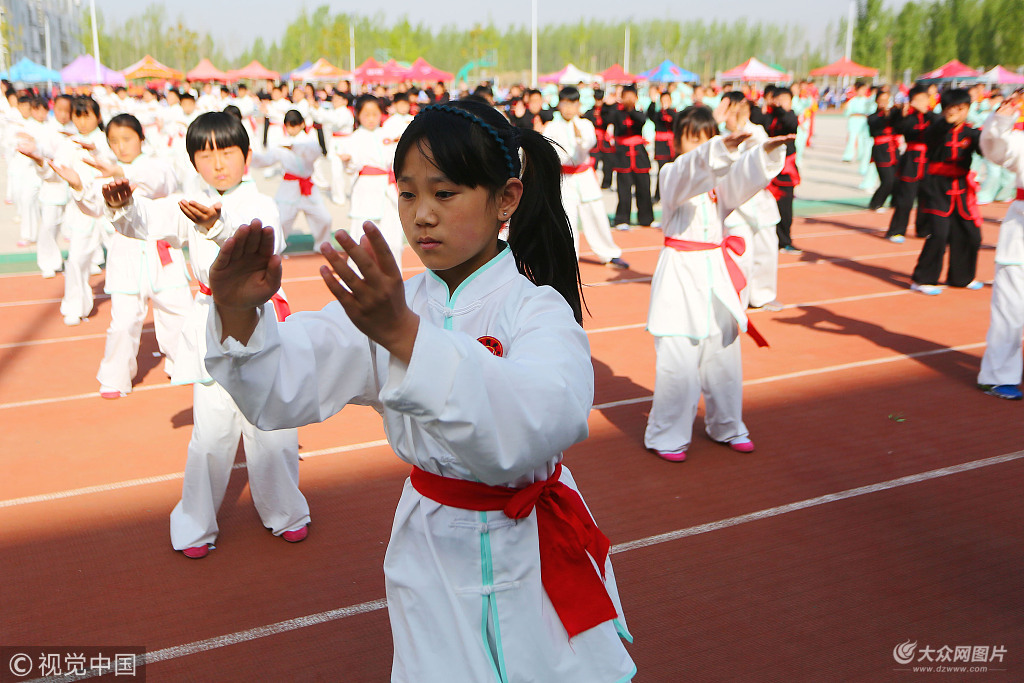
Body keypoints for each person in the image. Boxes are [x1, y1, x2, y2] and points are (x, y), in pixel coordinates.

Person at [204, 99, 635, 682]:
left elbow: (540, 421)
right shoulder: (393, 305)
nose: (422, 215)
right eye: (408, 194)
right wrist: (236, 312)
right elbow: (283, 386)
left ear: (505, 199)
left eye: (445, 193)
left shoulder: (536, 308)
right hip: (432, 547)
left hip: (534, 547)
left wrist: (405, 336)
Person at [99, 112, 311, 559]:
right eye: (205, 153)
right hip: (211, 320)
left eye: (227, 151)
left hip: (257, 319)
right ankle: (195, 525)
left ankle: (286, 511)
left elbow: (262, 246)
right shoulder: (186, 201)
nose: (217, 163)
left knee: (271, 425)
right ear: (193, 159)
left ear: (247, 155)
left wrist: (216, 230)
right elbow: (142, 223)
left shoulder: (262, 202)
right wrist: (122, 207)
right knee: (212, 432)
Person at [643, 105, 789, 462]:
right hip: (680, 276)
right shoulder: (672, 175)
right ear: (677, 140)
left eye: (705, 137)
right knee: (678, 359)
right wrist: (717, 151)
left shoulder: (718, 185)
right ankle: (667, 435)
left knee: (724, 354)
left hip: (715, 275)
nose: (698, 145)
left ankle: (727, 424)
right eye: (691, 138)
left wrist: (765, 153)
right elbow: (694, 168)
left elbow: (743, 179)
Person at [50, 114, 192, 399]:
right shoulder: (102, 170)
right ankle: (115, 376)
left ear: (141, 137)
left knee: (178, 313)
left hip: (162, 252)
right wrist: (79, 185)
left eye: (127, 139)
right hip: (126, 254)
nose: (121, 146)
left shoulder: (156, 164)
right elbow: (94, 204)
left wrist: (118, 171)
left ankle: (184, 363)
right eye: (114, 141)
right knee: (123, 321)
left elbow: (160, 183)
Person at [544, 87, 629, 269]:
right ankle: (567, 260)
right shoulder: (551, 127)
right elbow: (548, 153)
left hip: (585, 176)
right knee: (567, 221)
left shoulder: (585, 125)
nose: (568, 108)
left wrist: (580, 138)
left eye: (572, 104)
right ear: (559, 104)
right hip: (564, 179)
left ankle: (609, 253)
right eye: (565, 103)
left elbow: (589, 142)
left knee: (596, 215)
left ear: (579, 105)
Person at [909, 89, 984, 295]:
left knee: (971, 234)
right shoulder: (936, 128)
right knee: (939, 234)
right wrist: (945, 119)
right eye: (951, 108)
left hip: (961, 187)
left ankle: (961, 277)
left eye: (961, 108)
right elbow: (932, 134)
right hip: (936, 187)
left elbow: (986, 148)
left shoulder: (971, 133)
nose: (956, 112)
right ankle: (922, 278)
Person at [977, 95, 1024, 400]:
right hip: (1020, 234)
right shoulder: (1020, 141)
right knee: (1011, 311)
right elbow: (994, 148)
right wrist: (1004, 115)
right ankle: (998, 376)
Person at [719, 92, 783, 310]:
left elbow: (762, 154)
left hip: (760, 201)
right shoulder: (717, 134)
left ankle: (762, 295)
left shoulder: (756, 131)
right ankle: (737, 298)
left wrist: (742, 128)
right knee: (740, 255)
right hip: (734, 206)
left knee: (767, 249)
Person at [252, 108, 333, 248]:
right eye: (288, 125)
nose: (291, 128)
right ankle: (275, 248)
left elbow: (315, 152)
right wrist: (249, 157)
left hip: (308, 187)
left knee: (324, 219)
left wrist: (294, 147)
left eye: (294, 125)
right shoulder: (281, 142)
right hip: (289, 187)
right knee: (281, 221)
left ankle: (322, 246)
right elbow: (266, 160)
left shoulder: (309, 141)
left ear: (302, 124)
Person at [338, 95, 404, 260]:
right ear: (358, 115)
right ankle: (357, 279)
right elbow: (352, 164)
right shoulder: (354, 138)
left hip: (389, 190)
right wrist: (349, 161)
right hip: (366, 190)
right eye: (366, 115)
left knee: (394, 241)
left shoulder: (386, 134)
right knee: (363, 238)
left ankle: (395, 281)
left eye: (375, 114)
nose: (371, 119)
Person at [887, 85, 938, 242]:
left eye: (925, 99)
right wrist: (902, 114)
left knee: (927, 197)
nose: (923, 102)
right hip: (911, 159)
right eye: (920, 99)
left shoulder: (933, 116)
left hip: (929, 159)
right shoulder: (908, 117)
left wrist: (926, 112)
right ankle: (897, 230)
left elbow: (941, 124)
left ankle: (923, 229)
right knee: (905, 198)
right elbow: (898, 128)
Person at [764, 87, 801, 254]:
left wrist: (779, 108)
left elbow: (790, 123)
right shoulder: (767, 116)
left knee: (785, 208)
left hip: (785, 170)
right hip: (767, 167)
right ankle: (770, 240)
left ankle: (784, 240)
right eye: (780, 100)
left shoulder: (790, 115)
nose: (784, 103)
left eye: (787, 100)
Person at [611, 84, 654, 228]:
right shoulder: (617, 112)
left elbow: (641, 120)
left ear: (636, 98)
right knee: (624, 190)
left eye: (631, 96)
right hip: (623, 155)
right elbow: (611, 121)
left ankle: (646, 218)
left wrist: (631, 109)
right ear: (621, 98)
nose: (628, 99)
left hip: (639, 154)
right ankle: (622, 219)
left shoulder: (638, 112)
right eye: (626, 96)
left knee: (644, 187)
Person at [867, 89, 903, 212]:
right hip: (881, 150)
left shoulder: (893, 113)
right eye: (881, 100)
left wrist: (900, 109)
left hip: (893, 148)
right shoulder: (873, 117)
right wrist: (885, 114)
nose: (884, 103)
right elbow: (876, 126)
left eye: (886, 100)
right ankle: (876, 203)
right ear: (877, 101)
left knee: (898, 177)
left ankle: (895, 202)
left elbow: (900, 121)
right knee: (888, 179)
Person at [647, 90, 677, 203]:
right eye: (663, 100)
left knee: (674, 171)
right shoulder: (658, 114)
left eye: (667, 100)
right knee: (662, 171)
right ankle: (658, 195)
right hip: (661, 146)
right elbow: (650, 114)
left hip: (672, 145)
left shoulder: (674, 112)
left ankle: (672, 194)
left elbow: (676, 119)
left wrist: (668, 110)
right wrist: (653, 102)